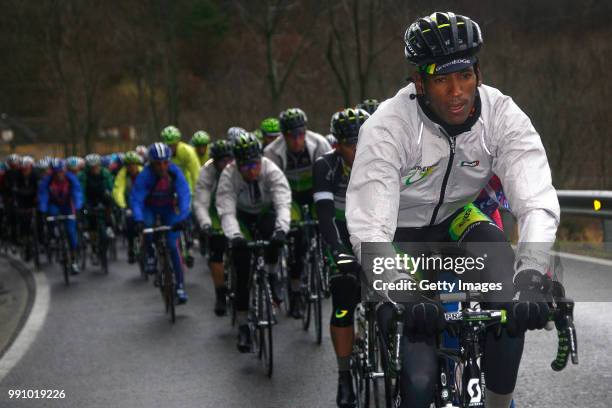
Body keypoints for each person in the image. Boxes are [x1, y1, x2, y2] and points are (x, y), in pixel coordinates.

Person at [345, 11, 560, 408]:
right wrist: (405, 296)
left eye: (464, 75)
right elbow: (371, 229)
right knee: (421, 379)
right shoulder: (387, 128)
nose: (456, 91)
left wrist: (531, 271)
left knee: (507, 289)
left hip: (458, 218)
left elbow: (535, 199)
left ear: (477, 72)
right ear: (420, 83)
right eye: (441, 79)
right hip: (400, 235)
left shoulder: (502, 115)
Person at [313, 108, 369, 408]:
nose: (358, 148)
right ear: (337, 145)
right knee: (344, 298)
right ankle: (345, 374)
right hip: (341, 234)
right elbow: (324, 217)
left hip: (374, 230)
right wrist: (336, 250)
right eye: (350, 143)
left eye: (362, 140)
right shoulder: (325, 166)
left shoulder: (383, 159)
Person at [215, 131, 291, 352]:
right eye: (245, 166)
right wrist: (235, 236)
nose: (251, 170)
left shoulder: (270, 169)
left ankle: (272, 272)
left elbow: (283, 202)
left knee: (273, 237)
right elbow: (226, 212)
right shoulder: (228, 176)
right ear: (236, 164)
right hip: (241, 218)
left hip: (265, 213)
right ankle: (244, 327)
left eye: (255, 164)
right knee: (242, 270)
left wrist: (281, 230)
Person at [264, 107, 332, 318]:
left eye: (300, 134)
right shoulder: (272, 153)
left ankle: (327, 263)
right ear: (283, 136)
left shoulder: (320, 144)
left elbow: (331, 177)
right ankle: (295, 294)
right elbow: (274, 189)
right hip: (289, 197)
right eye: (290, 136)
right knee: (297, 241)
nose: (296, 140)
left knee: (328, 222)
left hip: (314, 191)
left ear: (306, 131)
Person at [131, 143, 191, 304]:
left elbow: (184, 194)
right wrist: (138, 220)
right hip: (150, 208)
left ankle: (179, 286)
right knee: (148, 227)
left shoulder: (174, 172)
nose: (162, 166)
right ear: (151, 163)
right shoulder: (145, 175)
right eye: (158, 163)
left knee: (173, 245)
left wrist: (184, 217)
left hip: (168, 209)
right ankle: (150, 254)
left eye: (165, 162)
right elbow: (137, 199)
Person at [193, 140, 234, 316]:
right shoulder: (207, 171)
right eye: (221, 161)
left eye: (228, 160)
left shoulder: (238, 167)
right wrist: (205, 223)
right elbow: (201, 201)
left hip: (236, 209)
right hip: (215, 212)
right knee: (216, 253)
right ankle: (220, 294)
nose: (225, 165)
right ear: (214, 161)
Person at [38, 158, 84, 274]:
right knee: (51, 217)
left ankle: (73, 260)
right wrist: (43, 210)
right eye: (57, 172)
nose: (60, 175)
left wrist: (78, 207)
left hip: (68, 205)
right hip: (54, 205)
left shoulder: (71, 178)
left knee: (71, 232)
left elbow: (77, 192)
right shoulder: (47, 181)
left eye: (62, 172)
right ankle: (54, 237)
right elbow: (43, 195)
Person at [112, 151, 143, 263]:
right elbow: (118, 190)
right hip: (129, 204)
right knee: (129, 224)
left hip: (144, 203)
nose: (131, 167)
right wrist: (123, 206)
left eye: (133, 164)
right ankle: (131, 248)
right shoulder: (122, 174)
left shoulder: (143, 172)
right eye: (128, 165)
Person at [79, 154, 116, 242]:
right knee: (86, 212)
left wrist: (111, 195)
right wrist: (83, 203)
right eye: (92, 167)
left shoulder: (105, 173)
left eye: (96, 166)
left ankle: (109, 226)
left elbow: (111, 187)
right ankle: (88, 231)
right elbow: (82, 190)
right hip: (89, 197)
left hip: (103, 195)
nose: (95, 169)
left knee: (110, 205)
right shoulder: (83, 176)